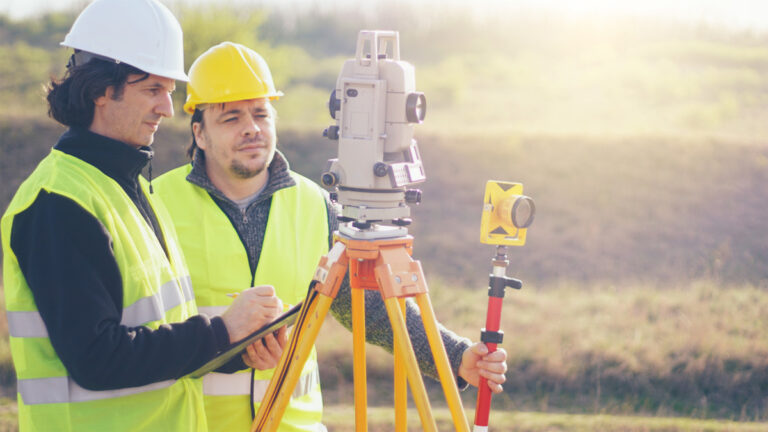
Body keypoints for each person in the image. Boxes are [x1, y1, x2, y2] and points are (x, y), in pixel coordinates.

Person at [154, 41, 508, 432]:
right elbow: (140, 335)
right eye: (231, 118)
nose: (251, 128)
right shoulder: (156, 205)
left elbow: (370, 309)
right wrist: (226, 344)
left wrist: (456, 356)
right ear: (199, 133)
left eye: (260, 113)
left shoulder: (315, 204)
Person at [0, 2, 281, 431]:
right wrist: (221, 331)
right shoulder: (57, 203)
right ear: (100, 90)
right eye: (153, 90)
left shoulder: (130, 188)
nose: (168, 109)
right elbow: (98, 359)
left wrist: (233, 351)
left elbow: (155, 338)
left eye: (169, 90)